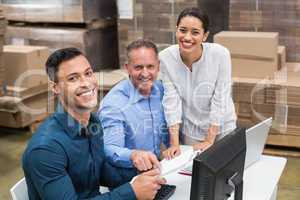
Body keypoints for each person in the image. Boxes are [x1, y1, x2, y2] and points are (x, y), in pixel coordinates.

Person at [22, 47, 166, 200]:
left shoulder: (92, 122)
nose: (86, 83)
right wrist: (132, 191)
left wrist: (143, 176)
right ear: (55, 87)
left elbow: (101, 171)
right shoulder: (45, 149)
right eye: (73, 78)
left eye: (88, 73)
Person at [159, 7, 237, 159]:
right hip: (192, 129)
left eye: (195, 32)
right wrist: (174, 143)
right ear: (176, 30)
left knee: (226, 166)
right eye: (183, 30)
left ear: (205, 36)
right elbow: (171, 100)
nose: (187, 37)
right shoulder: (165, 58)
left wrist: (209, 140)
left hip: (223, 125)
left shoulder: (220, 54)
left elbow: (220, 97)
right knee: (193, 172)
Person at [98, 39, 170, 172]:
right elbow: (109, 148)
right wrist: (133, 155)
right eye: (138, 67)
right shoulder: (113, 104)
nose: (145, 73)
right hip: (127, 177)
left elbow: (168, 131)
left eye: (150, 66)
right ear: (127, 68)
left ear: (158, 66)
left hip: (157, 169)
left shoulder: (161, 91)